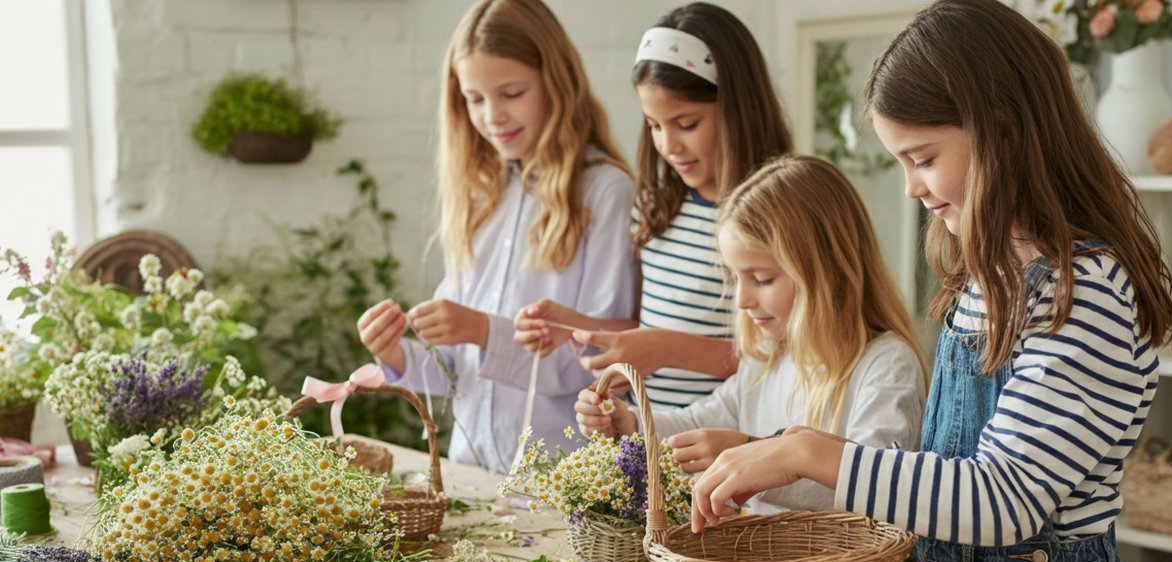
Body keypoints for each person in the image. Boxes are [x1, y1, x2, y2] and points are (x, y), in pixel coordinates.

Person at [689, 0, 1172, 562]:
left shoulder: (1083, 293)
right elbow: (939, 479)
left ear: (1003, 131)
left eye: (922, 158)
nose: (910, 188)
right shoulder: (983, 281)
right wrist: (790, 451)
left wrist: (807, 452)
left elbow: (1003, 499)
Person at [355, 0, 636, 473]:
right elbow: (456, 369)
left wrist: (484, 330)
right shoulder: (481, 196)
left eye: (511, 92)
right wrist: (396, 353)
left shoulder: (605, 192)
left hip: (564, 482)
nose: (492, 116)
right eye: (475, 99)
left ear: (556, 82)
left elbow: (603, 362)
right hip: (473, 471)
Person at [576, 155, 926, 514]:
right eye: (736, 278)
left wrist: (750, 450)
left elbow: (878, 487)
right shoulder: (770, 356)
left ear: (825, 271)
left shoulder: (887, 366)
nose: (742, 300)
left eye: (761, 279)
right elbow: (700, 422)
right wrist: (631, 424)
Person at [513, 2, 792, 411]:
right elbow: (645, 332)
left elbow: (789, 354)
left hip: (728, 446)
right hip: (650, 441)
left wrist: (668, 349)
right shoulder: (655, 208)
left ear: (737, 109)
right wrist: (576, 328)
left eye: (686, 124)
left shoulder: (779, 216)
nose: (668, 145)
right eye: (654, 125)